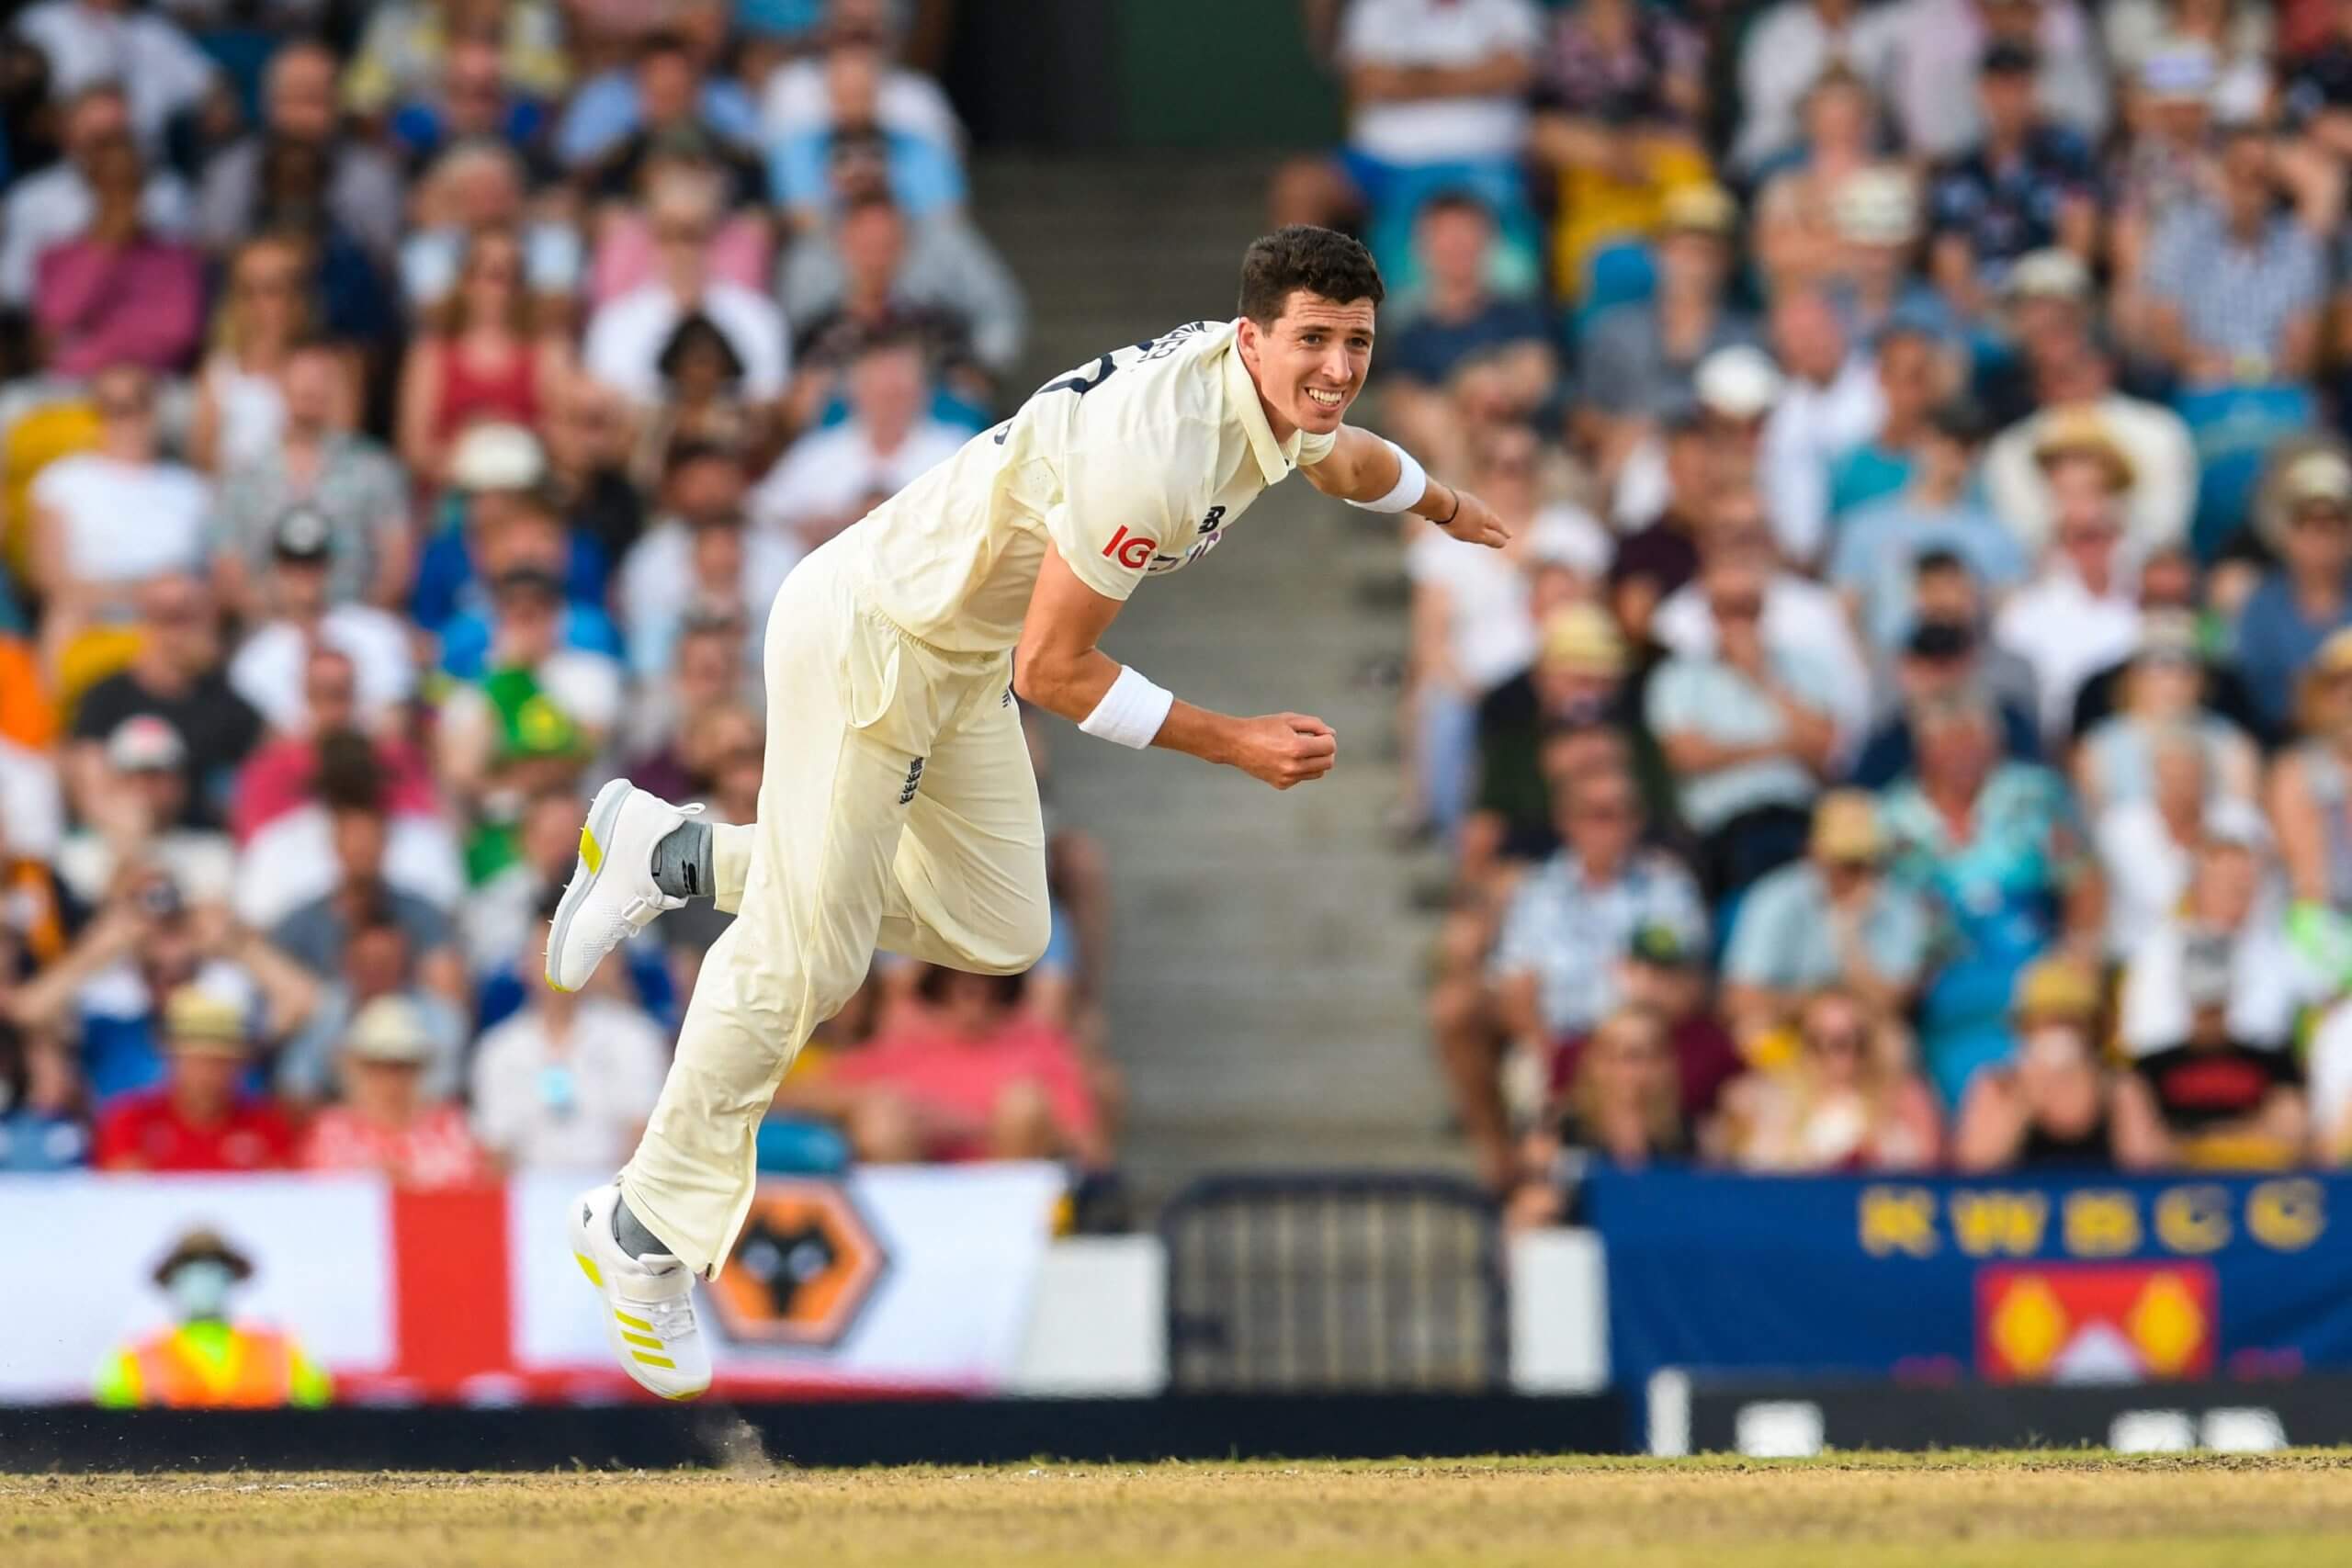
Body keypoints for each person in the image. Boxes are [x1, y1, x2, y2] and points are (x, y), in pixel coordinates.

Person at [547, 228, 1508, 1397]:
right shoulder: (1158, 458)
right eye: (1314, 341)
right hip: (874, 634)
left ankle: (678, 851)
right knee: (814, 947)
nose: (1337, 368)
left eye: (1356, 343)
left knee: (1001, 929)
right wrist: (1234, 741)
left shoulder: (1265, 391)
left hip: (956, 658)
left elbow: (1346, 454)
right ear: (1252, 337)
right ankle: (644, 1228)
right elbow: (1057, 674)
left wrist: (1447, 503)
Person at [209, 335, 413, 617]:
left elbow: (396, 566)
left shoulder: (374, 468)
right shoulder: (244, 475)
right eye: (301, 377)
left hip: (353, 627)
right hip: (268, 631)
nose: (311, 387)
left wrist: (354, 625)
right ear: (280, 383)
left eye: (323, 378)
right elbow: (228, 571)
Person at [471, 895, 670, 1176]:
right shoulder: (498, 1049)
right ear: (522, 964)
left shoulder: (634, 1036)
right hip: (529, 1201)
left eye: (566, 952)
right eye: (544, 953)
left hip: (612, 1195)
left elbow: (644, 1136)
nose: (554, 964)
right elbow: (495, 1150)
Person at [1722, 791, 1932, 1047]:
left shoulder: (1899, 905)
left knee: (1895, 1041)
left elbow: (1891, 1006)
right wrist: (1819, 1004)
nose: (1855, 874)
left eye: (1865, 862)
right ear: (1813, 852)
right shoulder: (1774, 899)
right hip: (1792, 1032)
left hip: (1858, 1038)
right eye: (1843, 861)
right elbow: (1739, 1001)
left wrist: (1849, 938)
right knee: (1755, 1033)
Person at [92, 1229, 330, 1408]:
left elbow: (321, 1425)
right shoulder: (133, 1358)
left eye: (214, 1269)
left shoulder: (285, 1351)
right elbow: (111, 1439)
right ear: (172, 1280)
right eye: (191, 1270)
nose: (204, 1281)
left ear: (232, 1278)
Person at [1715, 986, 1941, 1170]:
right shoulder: (1773, 1104)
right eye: (1817, 1042)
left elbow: (1926, 1181)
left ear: (1870, 1044)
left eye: (1845, 1041)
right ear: (1803, 1044)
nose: (1834, 1056)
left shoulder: (1902, 1102)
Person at [91, 987, 296, 1172]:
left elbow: (278, 1194)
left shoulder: (267, 1126)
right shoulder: (130, 1121)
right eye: (194, 1060)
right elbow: (121, 1194)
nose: (206, 1072)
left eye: (218, 1061)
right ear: (170, 1059)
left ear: (239, 1064)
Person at [298, 996, 491, 1188]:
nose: (391, 1080)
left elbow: (470, 1190)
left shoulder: (449, 1128)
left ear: (419, 1069)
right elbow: (315, 1198)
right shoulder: (332, 1132)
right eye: (377, 1066)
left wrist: (410, 1184)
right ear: (355, 1070)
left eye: (402, 1066)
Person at [1951, 957, 2115, 1170]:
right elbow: (1973, 1168)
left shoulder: (2117, 1086)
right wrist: (2025, 1102)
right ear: (2025, 1027)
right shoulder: (1997, 1084)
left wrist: (2099, 1093)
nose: (2059, 1033)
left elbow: (2149, 1167)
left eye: (2070, 1021)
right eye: (2047, 1020)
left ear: (2092, 1029)